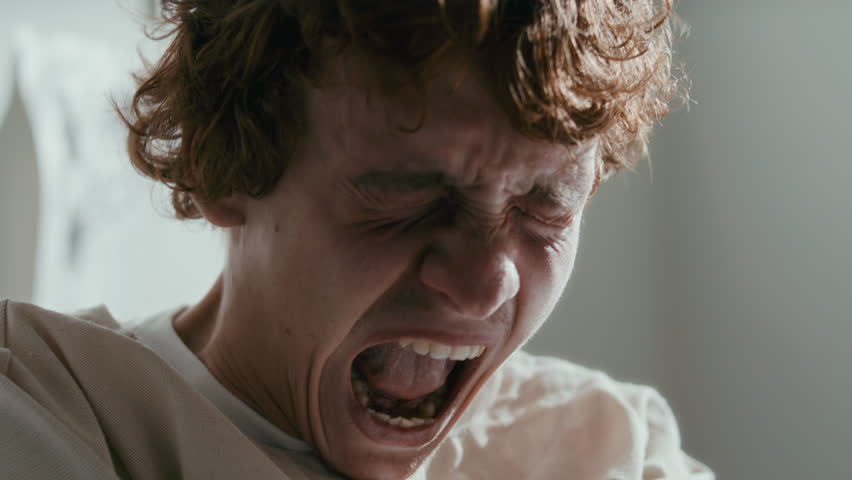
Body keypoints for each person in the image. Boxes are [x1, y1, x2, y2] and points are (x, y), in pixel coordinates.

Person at [0, 0, 713, 479]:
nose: (488, 282)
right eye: (411, 203)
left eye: (546, 206)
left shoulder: (603, 448)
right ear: (222, 168)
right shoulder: (46, 410)